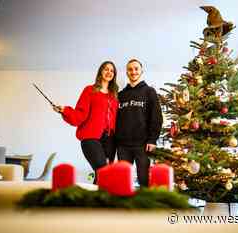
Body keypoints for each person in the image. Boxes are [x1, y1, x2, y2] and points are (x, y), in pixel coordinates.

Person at [53, 61, 119, 183]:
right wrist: (65, 110)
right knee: (102, 169)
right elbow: (80, 114)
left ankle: (100, 199)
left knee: (106, 173)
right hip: (91, 137)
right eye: (106, 69)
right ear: (100, 72)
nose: (109, 72)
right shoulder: (90, 90)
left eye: (112, 70)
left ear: (114, 75)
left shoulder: (114, 96)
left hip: (110, 139)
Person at [116, 59, 163, 187]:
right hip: (123, 146)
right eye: (130, 69)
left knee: (143, 179)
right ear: (127, 72)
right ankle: (124, 206)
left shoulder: (149, 92)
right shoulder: (120, 95)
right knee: (123, 180)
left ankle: (144, 207)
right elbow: (116, 119)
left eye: (136, 68)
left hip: (142, 144)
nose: (133, 71)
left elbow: (157, 117)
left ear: (141, 71)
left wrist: (152, 140)